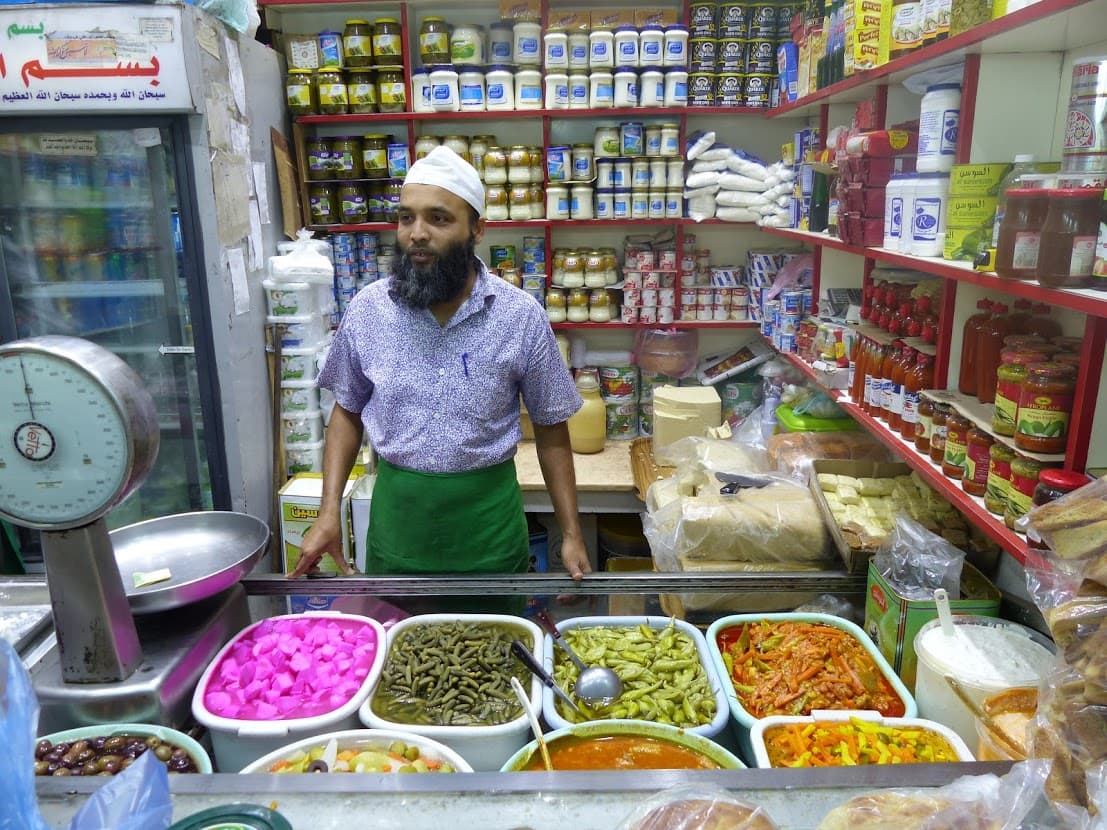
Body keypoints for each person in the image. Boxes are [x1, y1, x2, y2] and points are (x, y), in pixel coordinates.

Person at [291, 145, 591, 598]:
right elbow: (347, 412)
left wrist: (570, 533)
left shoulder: (518, 315)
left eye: (439, 218)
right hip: (398, 533)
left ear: (477, 229)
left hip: (489, 534)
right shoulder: (370, 310)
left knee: (495, 655)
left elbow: (551, 428)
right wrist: (329, 510)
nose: (417, 233)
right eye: (406, 218)